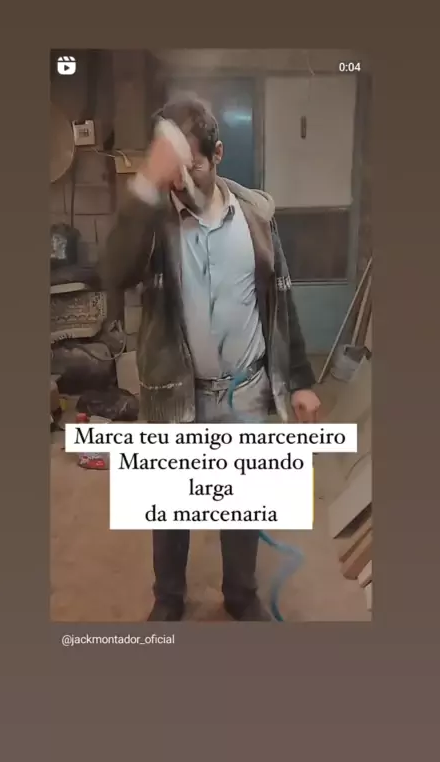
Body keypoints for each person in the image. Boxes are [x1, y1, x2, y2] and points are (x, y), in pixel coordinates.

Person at [102, 95, 321, 622]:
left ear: (218, 154)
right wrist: (145, 185)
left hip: (247, 391)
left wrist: (300, 380)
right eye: (170, 169)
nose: (180, 181)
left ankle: (240, 593)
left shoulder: (257, 216)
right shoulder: (153, 222)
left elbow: (281, 303)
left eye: (192, 166)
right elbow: (113, 273)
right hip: (177, 392)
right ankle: (168, 597)